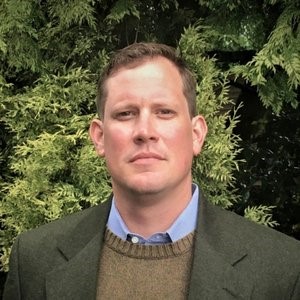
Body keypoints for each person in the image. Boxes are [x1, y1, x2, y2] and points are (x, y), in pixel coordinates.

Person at [3, 42, 300, 300]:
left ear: (196, 134)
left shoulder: (282, 267)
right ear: (99, 137)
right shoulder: (33, 260)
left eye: (164, 112)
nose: (145, 131)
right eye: (125, 114)